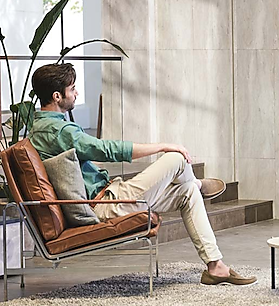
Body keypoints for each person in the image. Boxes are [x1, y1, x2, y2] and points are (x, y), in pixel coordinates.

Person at [28, 63, 257, 287]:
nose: (77, 93)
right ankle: (197, 183)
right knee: (176, 157)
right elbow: (108, 150)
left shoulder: (43, 127)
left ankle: (215, 267)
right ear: (57, 96)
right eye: (72, 89)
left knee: (187, 193)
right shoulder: (57, 131)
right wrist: (161, 146)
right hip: (108, 204)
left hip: (111, 195)